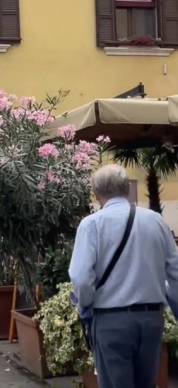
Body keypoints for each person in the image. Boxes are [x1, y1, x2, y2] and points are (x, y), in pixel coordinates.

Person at [69, 164, 178, 388]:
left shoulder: (91, 225)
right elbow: (175, 270)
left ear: (96, 193)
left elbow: (81, 278)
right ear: (127, 189)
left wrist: (85, 309)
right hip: (151, 319)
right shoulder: (155, 221)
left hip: (111, 320)